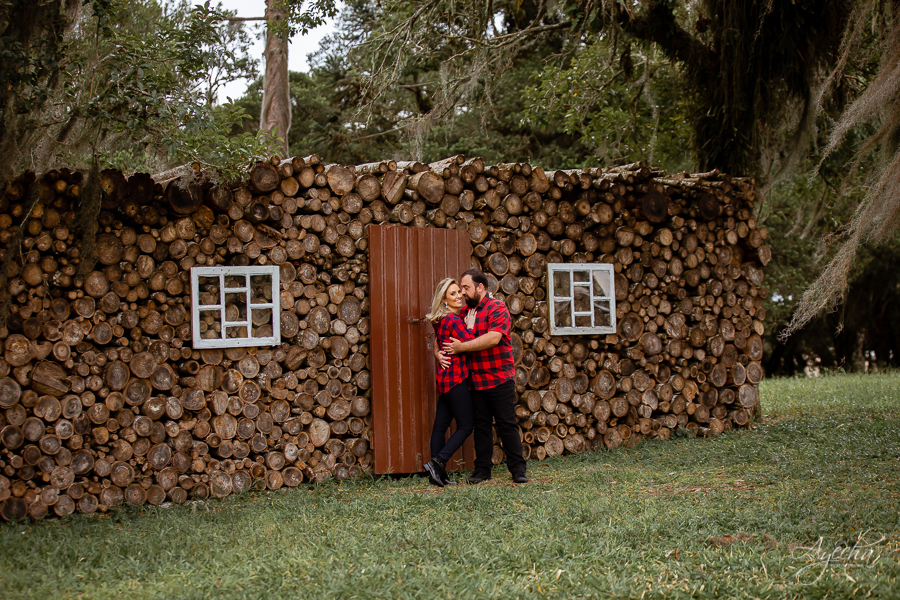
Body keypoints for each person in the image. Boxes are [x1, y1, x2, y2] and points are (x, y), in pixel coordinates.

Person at [441, 269, 528, 484]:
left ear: (480, 288)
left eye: (466, 288)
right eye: (461, 288)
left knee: (506, 424)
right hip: (475, 380)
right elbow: (443, 334)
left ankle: (518, 470)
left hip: (498, 377)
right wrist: (437, 354)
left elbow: (493, 338)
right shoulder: (464, 312)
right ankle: (482, 471)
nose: (462, 293)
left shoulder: (496, 307)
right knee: (481, 427)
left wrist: (462, 347)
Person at [423, 278, 475, 487]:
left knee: (440, 426)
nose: (459, 296)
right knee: (466, 425)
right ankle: (438, 462)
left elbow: (439, 341)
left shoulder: (441, 319)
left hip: (444, 378)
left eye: (459, 292)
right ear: (444, 300)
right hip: (455, 378)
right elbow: (469, 342)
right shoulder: (453, 321)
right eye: (452, 294)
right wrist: (470, 326)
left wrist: (436, 352)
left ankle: (437, 475)